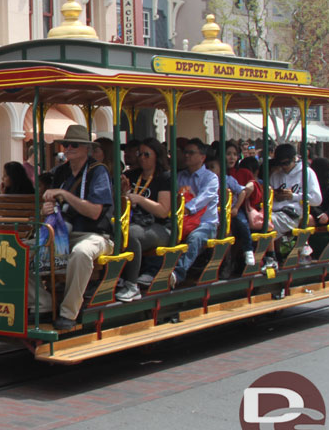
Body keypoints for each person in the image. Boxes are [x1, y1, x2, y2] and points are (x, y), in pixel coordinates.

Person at [42, 125, 113, 331]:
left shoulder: (98, 171)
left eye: (75, 144)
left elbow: (94, 212)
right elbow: (51, 206)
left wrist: (65, 196)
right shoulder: (60, 172)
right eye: (66, 144)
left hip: (95, 235)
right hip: (64, 232)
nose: (69, 147)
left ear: (86, 149)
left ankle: (68, 313)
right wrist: (46, 208)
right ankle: (43, 304)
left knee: (81, 253)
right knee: (23, 250)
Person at [122, 139, 171, 300]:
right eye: (139, 154)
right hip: (134, 220)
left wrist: (140, 199)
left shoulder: (164, 178)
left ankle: (131, 284)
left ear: (157, 156)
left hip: (160, 227)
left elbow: (163, 211)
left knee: (131, 234)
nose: (142, 158)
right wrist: (124, 193)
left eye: (146, 154)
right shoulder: (132, 175)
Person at [169, 139, 219, 287]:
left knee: (195, 237)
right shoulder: (179, 176)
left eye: (191, 153)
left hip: (205, 223)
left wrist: (187, 208)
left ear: (202, 157)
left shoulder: (210, 178)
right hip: (182, 221)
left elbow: (204, 198)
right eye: (185, 152)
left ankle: (178, 273)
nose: (187, 156)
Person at [205, 154, 253, 274]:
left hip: (230, 211)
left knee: (242, 224)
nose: (209, 170)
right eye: (207, 167)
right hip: (214, 213)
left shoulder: (228, 180)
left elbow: (242, 192)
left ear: (220, 169)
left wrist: (236, 208)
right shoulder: (205, 181)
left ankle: (247, 250)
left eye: (212, 167)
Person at [269, 143, 321, 244]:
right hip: (274, 211)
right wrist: (276, 196)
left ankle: (270, 255)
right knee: (259, 222)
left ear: (294, 159)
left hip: (292, 214)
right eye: (280, 164)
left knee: (267, 223)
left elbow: (317, 199)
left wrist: (293, 196)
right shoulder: (275, 175)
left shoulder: (307, 173)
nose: (283, 167)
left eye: (286, 163)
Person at [309, 157, 329, 258]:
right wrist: (319, 214)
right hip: (316, 216)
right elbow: (310, 203)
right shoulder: (312, 186)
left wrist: (327, 214)